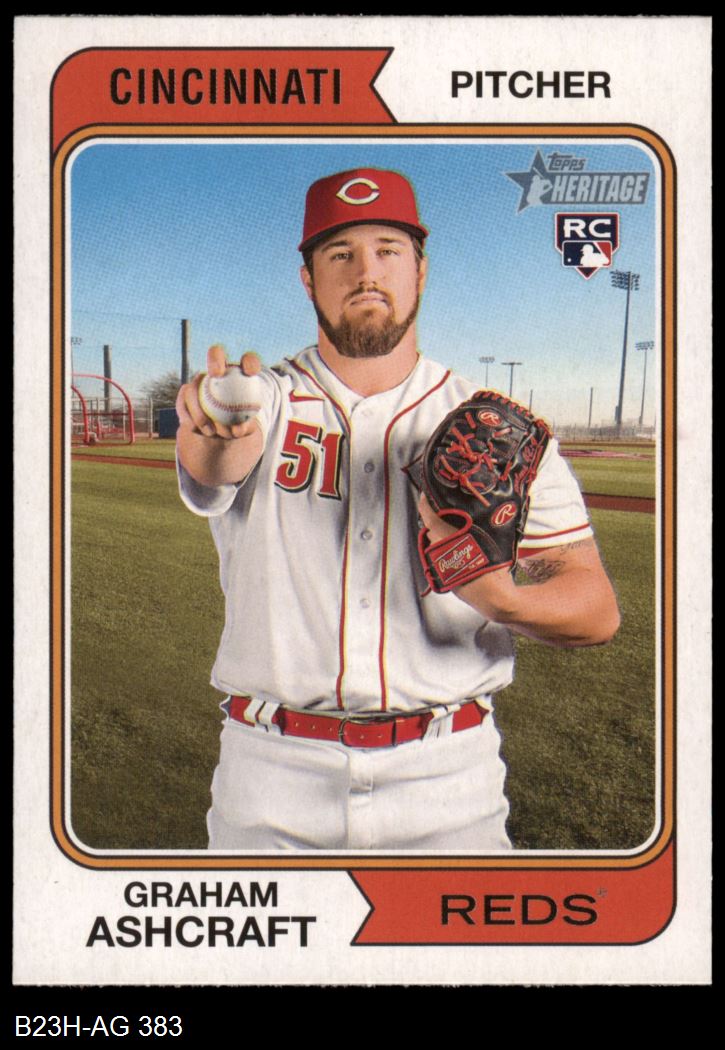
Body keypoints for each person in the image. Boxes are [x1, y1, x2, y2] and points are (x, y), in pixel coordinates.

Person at [175, 167, 620, 852]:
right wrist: (212, 427)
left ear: (420, 270)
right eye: (340, 254)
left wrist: (504, 600)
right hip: (269, 778)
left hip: (448, 781)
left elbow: (595, 609)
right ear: (307, 279)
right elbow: (214, 459)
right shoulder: (262, 401)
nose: (366, 272)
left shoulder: (494, 428)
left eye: (388, 250)